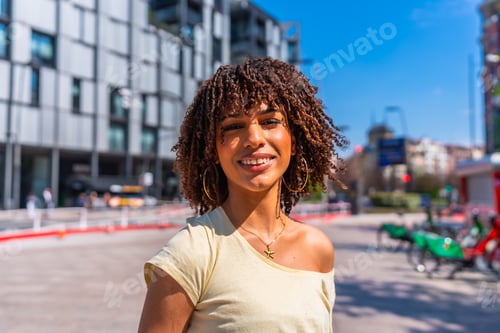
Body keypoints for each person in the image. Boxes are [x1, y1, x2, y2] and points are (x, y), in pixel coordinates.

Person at [137, 57, 348, 333]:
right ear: (213, 149)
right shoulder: (191, 252)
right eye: (233, 126)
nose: (253, 138)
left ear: (294, 140)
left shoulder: (318, 248)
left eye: (270, 121)